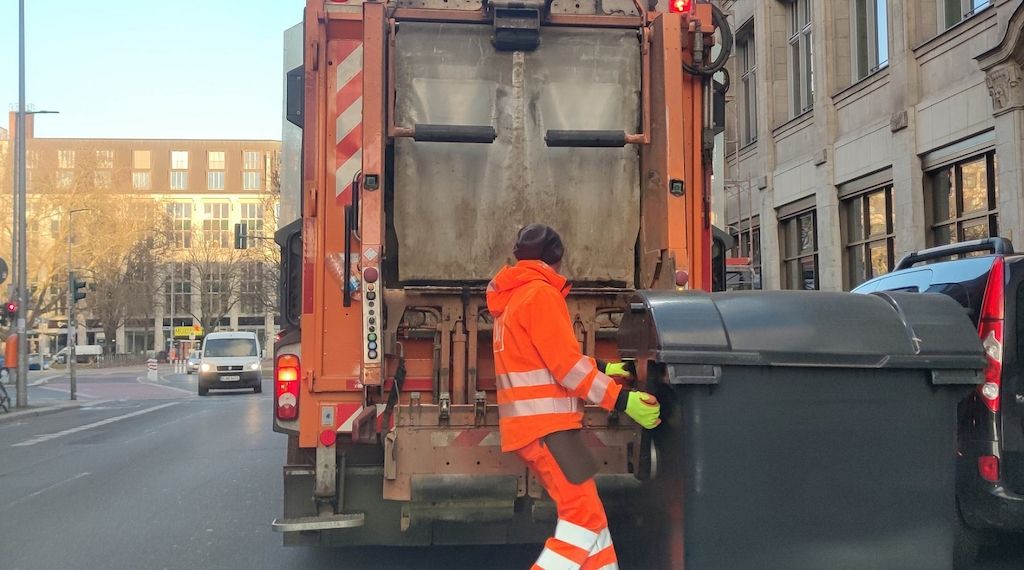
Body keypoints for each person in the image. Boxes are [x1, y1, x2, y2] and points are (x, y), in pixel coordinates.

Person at [487, 224, 661, 570]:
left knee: (592, 516)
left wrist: (604, 368)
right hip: (550, 431)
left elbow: (547, 358)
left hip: (538, 429)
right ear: (556, 259)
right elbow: (565, 368)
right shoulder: (541, 295)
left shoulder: (514, 299)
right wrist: (622, 400)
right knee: (582, 518)